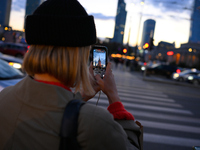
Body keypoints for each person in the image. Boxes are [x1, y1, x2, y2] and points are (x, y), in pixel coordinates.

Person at [0, 0, 142, 149]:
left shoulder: (5, 97)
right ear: (78, 55)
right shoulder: (97, 124)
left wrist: (81, 97)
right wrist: (114, 98)